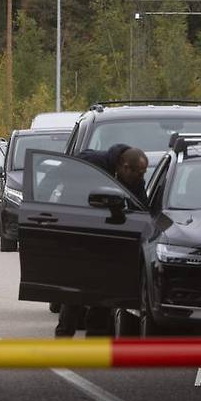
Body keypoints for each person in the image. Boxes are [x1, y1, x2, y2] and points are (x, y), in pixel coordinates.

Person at [55, 143, 149, 337]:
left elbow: (141, 208)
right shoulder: (90, 163)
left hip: (110, 238)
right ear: (124, 167)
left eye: (142, 173)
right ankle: (64, 334)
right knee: (76, 289)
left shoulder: (135, 179)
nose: (141, 178)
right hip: (80, 233)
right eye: (138, 173)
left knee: (105, 288)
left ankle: (96, 337)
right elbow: (58, 182)